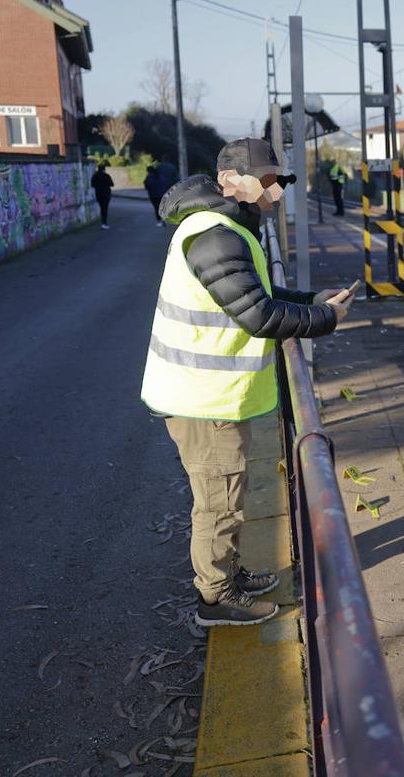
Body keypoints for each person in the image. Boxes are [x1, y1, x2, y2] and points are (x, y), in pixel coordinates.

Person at [140, 137, 356, 627]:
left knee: (226, 495)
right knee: (218, 502)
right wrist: (324, 318)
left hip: (206, 394)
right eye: (269, 182)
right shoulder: (216, 235)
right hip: (200, 397)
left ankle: (228, 576)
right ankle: (215, 599)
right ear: (230, 181)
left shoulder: (225, 227)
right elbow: (256, 314)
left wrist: (310, 299)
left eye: (279, 184)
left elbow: (256, 291)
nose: (275, 194)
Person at [144, 163, 170, 227]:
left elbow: (147, 186)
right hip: (161, 195)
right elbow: (166, 184)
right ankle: (163, 219)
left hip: (153, 195)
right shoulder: (161, 176)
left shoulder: (149, 177)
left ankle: (159, 221)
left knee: (156, 208)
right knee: (162, 208)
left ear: (148, 171)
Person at [91, 162, 114, 229]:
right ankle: (104, 223)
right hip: (106, 194)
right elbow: (112, 184)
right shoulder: (107, 176)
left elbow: (92, 185)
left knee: (102, 208)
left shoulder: (95, 176)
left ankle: (103, 222)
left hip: (99, 194)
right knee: (105, 208)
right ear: (104, 169)